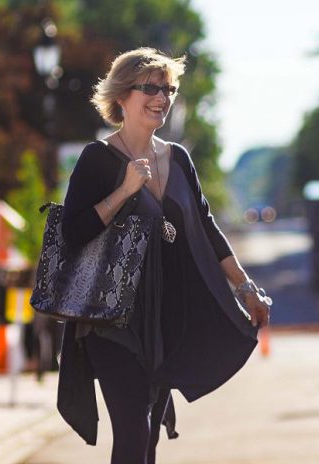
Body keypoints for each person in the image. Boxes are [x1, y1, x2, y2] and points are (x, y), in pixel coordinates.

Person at [57, 47, 271, 463]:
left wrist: (246, 289)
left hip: (166, 319)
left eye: (168, 89)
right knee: (133, 432)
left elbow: (207, 229)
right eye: (150, 88)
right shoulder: (98, 159)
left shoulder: (178, 158)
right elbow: (74, 232)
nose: (162, 97)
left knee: (149, 436)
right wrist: (124, 191)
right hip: (112, 321)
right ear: (122, 97)